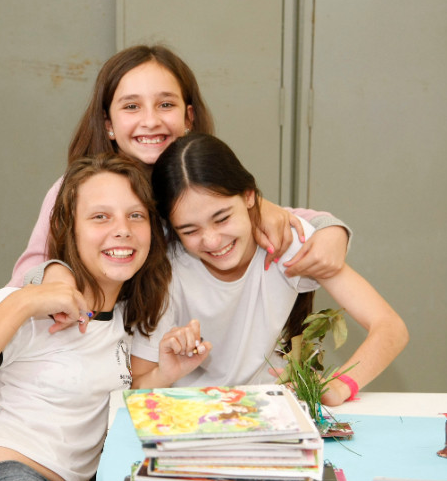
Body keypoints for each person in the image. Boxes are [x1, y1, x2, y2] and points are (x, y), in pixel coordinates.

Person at [0, 154, 209, 481]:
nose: (123, 229)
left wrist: (165, 373)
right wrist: (25, 300)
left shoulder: (122, 322)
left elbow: (110, 408)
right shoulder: (26, 306)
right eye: (100, 216)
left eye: (136, 215)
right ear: (70, 230)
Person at [9, 44, 352, 293]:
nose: (150, 120)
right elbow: (27, 272)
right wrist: (56, 274)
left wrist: (332, 231)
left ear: (188, 118)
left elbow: (304, 221)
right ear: (108, 124)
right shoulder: (74, 190)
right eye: (131, 106)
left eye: (165, 104)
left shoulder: (201, 180)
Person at [130, 133, 409, 407]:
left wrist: (340, 385)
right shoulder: (163, 269)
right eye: (189, 230)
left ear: (249, 197)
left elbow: (390, 327)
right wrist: (167, 372)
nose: (212, 240)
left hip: (271, 414)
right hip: (192, 417)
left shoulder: (288, 244)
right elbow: (137, 386)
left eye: (223, 218)